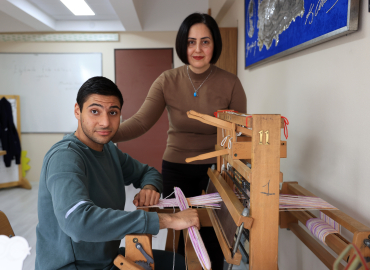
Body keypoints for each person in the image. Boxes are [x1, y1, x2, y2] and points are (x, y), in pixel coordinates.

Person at [112, 13, 247, 270]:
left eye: (205, 42)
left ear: (214, 45)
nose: (197, 49)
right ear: (183, 45)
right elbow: (141, 121)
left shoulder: (231, 83)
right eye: (191, 42)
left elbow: (239, 133)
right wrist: (105, 133)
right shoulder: (167, 80)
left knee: (214, 237)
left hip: (216, 172)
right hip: (177, 168)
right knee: (185, 235)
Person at [35, 76, 200, 270]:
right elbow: (78, 222)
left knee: (180, 264)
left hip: (106, 260)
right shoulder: (65, 157)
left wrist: (149, 187)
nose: (105, 122)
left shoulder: (108, 150)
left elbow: (149, 172)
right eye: (94, 111)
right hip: (74, 266)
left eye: (113, 112)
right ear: (77, 111)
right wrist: (168, 220)